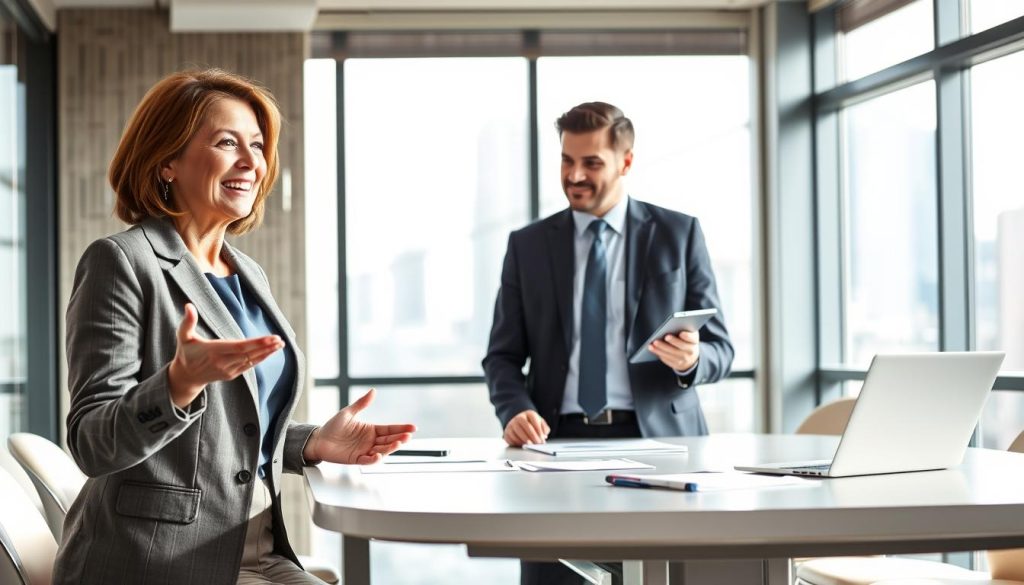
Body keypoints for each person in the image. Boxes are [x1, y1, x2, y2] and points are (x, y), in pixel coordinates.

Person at [57, 69, 416, 585]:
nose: (252, 162)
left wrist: (312, 443)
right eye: (227, 143)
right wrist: (179, 385)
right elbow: (92, 443)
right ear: (166, 162)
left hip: (256, 550)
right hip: (160, 560)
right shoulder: (121, 262)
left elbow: (227, 432)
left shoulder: (247, 272)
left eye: (257, 145)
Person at [482, 101, 734, 585]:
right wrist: (513, 409)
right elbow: (503, 355)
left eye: (591, 162)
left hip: (660, 442)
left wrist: (693, 358)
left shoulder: (678, 233)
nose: (574, 175)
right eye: (565, 160)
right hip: (555, 444)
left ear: (626, 162)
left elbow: (721, 348)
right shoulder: (528, 245)